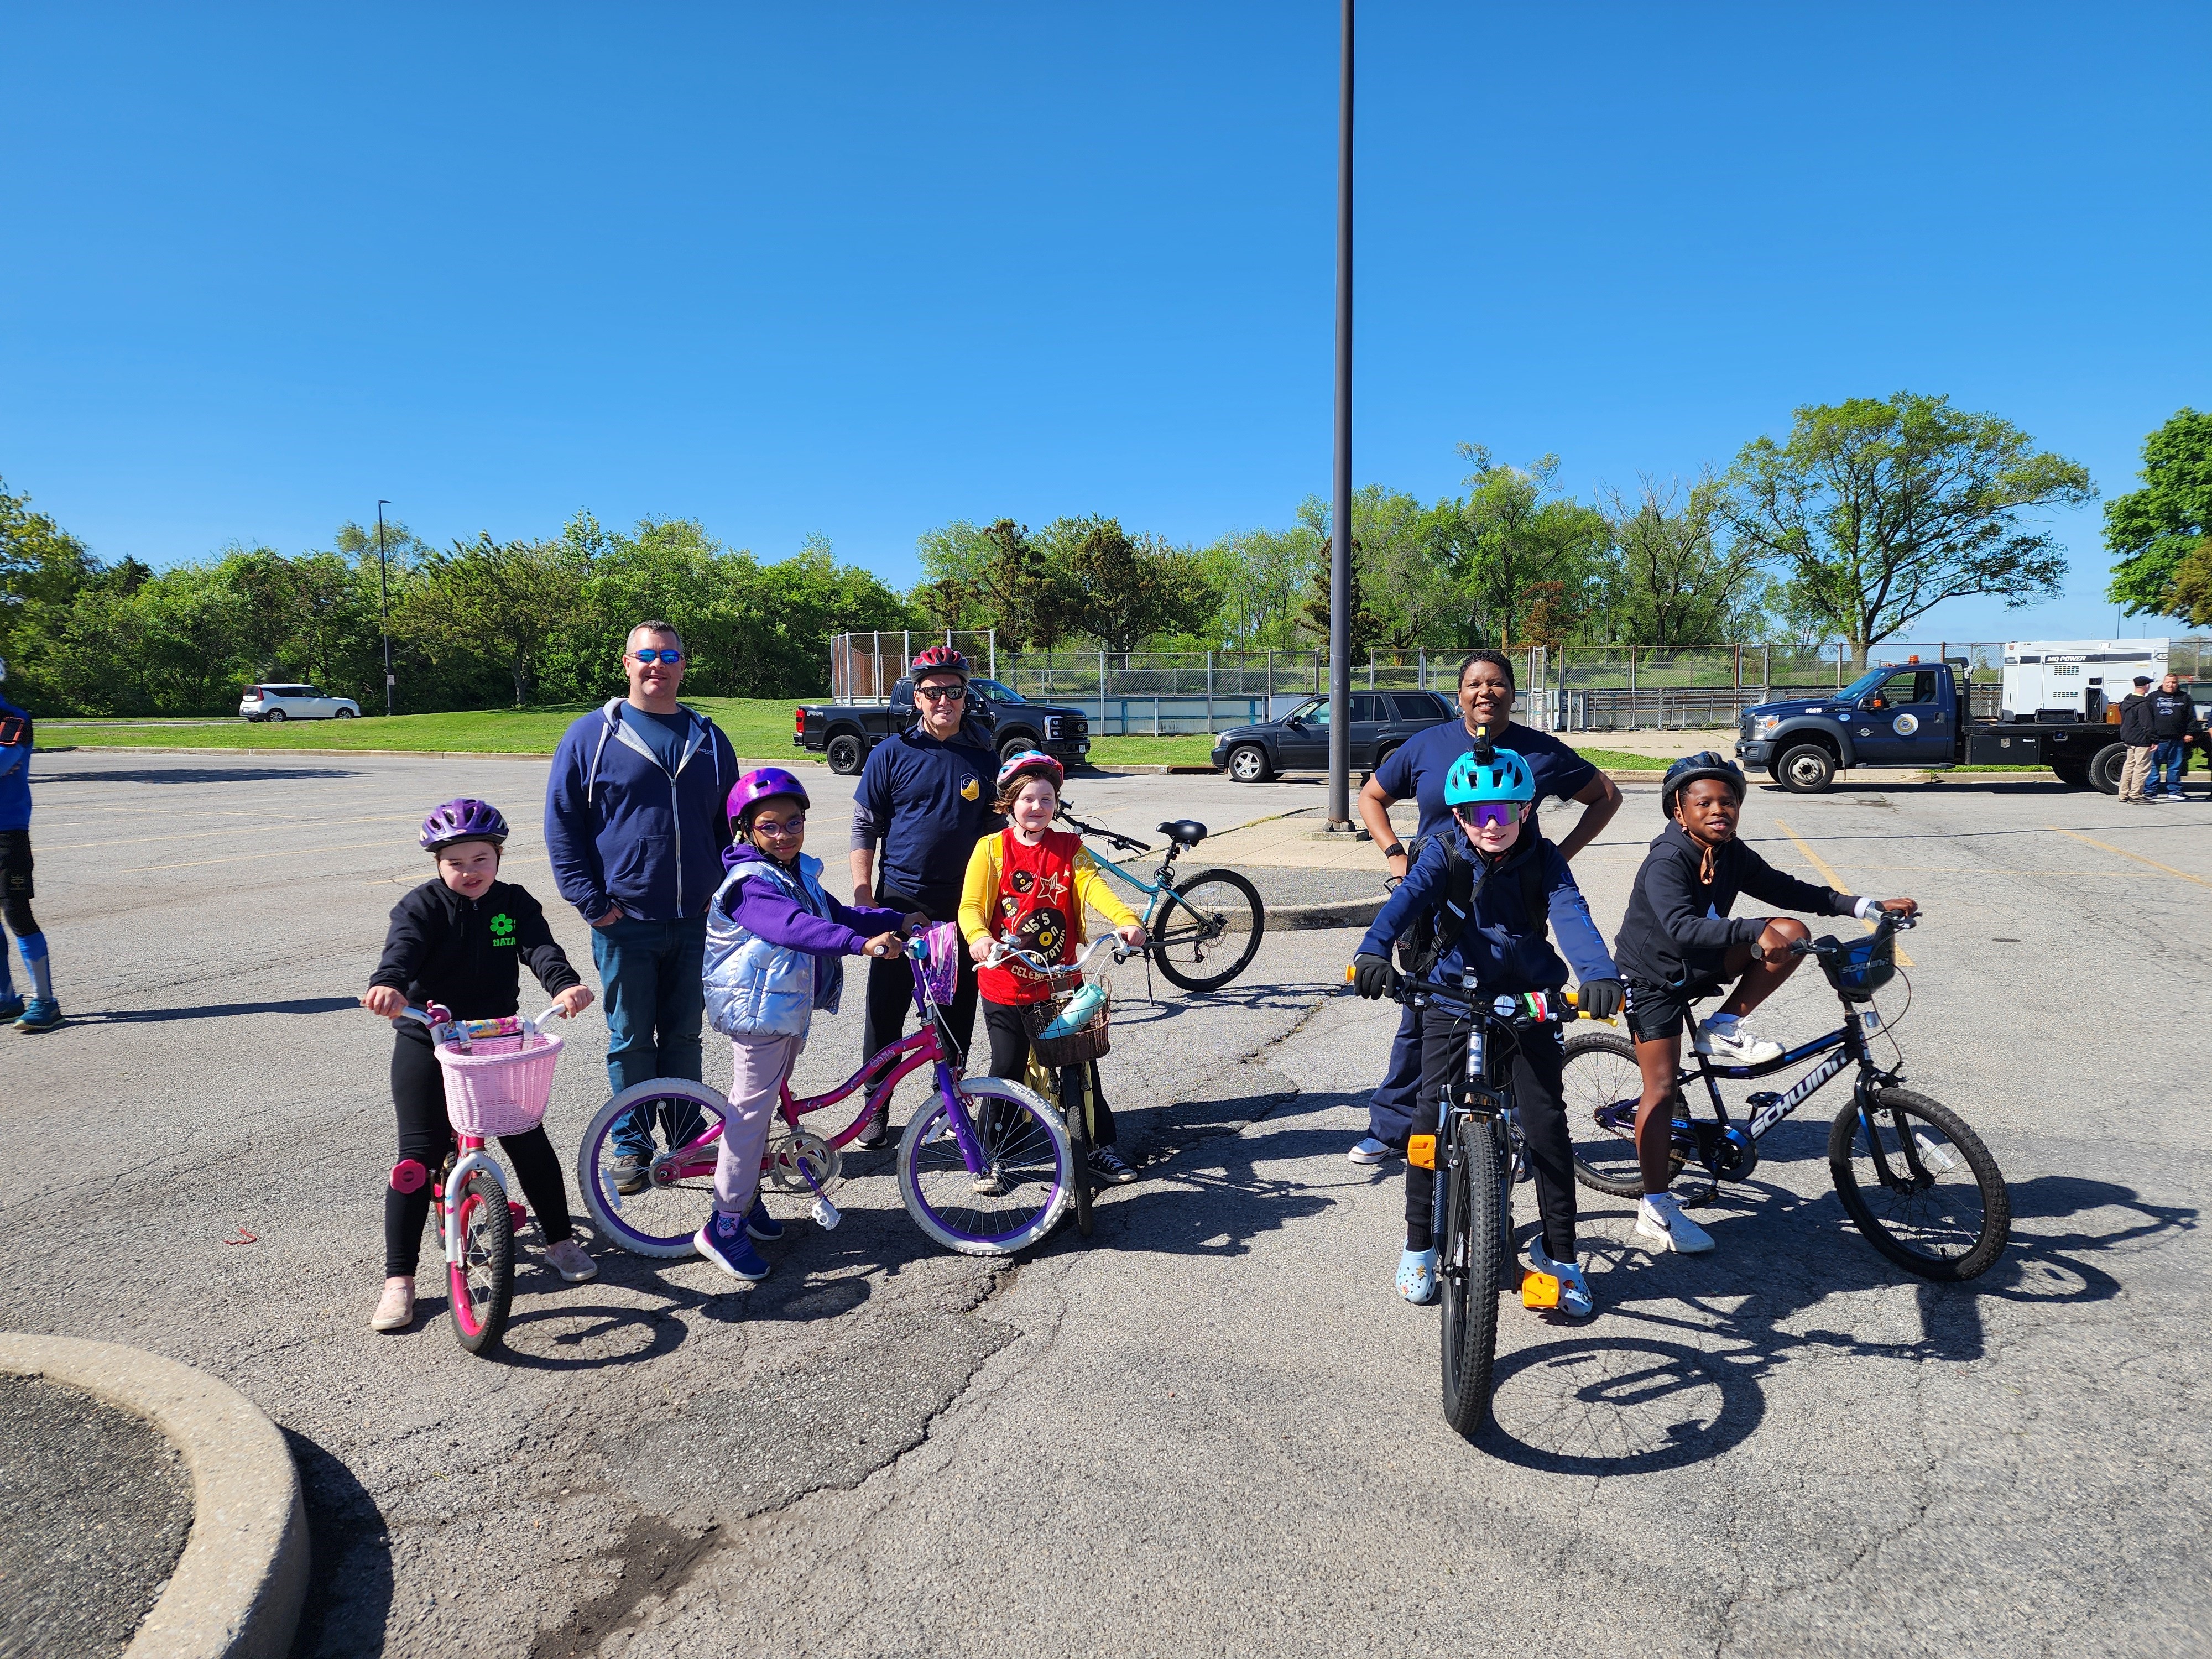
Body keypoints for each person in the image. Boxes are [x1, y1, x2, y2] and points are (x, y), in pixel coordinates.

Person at [1349, 747, 1626, 1317]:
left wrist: (1597, 975)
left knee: (1547, 1124)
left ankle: (1561, 1256)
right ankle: (1419, 1242)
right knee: (1428, 1116)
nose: (1492, 824)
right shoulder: (1442, 856)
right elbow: (1405, 901)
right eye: (1477, 813)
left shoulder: (1545, 859)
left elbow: (1571, 913)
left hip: (1529, 997)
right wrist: (1373, 949)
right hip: (1454, 994)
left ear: (1526, 810)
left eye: (1504, 810)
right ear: (1458, 817)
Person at [1612, 753, 1917, 1255]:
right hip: (1654, 978)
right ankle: (1655, 1203)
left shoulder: (1730, 852)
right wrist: (1756, 930)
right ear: (1678, 812)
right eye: (1704, 802)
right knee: (1662, 1088)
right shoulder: (1667, 860)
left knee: (1794, 932)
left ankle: (1724, 1024)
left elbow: (1786, 889)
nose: (1719, 810)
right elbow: (1681, 928)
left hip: (1702, 961)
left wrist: (1866, 906)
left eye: (1728, 801)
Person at [1349, 650, 1620, 1165]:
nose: (1485, 693)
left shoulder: (1540, 751)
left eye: (1497, 684)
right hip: (1437, 897)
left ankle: (1509, 1123)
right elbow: (1371, 797)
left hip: (1513, 899)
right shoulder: (1427, 745)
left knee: (1516, 1015)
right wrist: (1396, 854)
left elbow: (1606, 795)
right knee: (1423, 1014)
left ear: (1513, 694)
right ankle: (1391, 1128)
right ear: (1460, 695)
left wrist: (1559, 857)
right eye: (1475, 684)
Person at [362, 799, 598, 1333]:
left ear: (498, 856)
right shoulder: (420, 906)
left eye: (481, 858)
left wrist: (564, 985)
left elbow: (541, 950)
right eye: (455, 862)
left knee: (526, 1136)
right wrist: (389, 986)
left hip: (494, 1039)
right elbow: (401, 951)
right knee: (415, 1159)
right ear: (437, 863)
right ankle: (399, 1280)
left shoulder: (513, 904)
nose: (469, 871)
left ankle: (560, 1241)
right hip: (428, 1038)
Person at [694, 769, 921, 1281]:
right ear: (747, 830)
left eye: (793, 822)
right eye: (770, 826)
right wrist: (861, 945)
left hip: (782, 1009)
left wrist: (896, 919)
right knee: (750, 1114)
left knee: (768, 1104)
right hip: (757, 1013)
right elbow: (793, 927)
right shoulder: (749, 884)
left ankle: (747, 1201)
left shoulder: (794, 871)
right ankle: (724, 1223)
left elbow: (833, 912)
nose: (785, 833)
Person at [545, 622, 740, 1195]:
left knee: (683, 1035)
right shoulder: (591, 735)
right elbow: (564, 825)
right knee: (631, 1039)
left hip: (695, 920)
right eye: (647, 655)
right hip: (623, 920)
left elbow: (733, 824)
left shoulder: (708, 737)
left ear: (682, 666)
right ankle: (631, 1144)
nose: (658, 665)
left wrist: (723, 888)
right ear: (627, 664)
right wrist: (591, 902)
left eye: (669, 655)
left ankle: (686, 1138)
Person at [959, 750, 1149, 1187]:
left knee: (1080, 1065)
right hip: (1006, 980)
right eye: (1028, 798)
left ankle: (1100, 1147)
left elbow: (1094, 887)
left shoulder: (1069, 848)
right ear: (1009, 802)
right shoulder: (991, 850)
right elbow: (971, 906)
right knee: (1006, 1067)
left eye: (1047, 799)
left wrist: (1125, 921)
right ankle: (992, 1153)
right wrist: (979, 938)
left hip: (1062, 982)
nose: (1038, 808)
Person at [848, 644, 1001, 1147]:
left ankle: (952, 1101)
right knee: (886, 1010)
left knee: (956, 1010)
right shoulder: (891, 754)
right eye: (933, 692)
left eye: (953, 692)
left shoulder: (983, 756)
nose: (943, 701)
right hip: (899, 901)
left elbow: (998, 835)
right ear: (918, 698)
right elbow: (865, 825)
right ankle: (876, 1106)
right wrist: (864, 894)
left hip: (963, 907)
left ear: (965, 697)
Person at [0, 656, 60, 1031]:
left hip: (7, 832)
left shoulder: (13, 719)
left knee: (17, 913)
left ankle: (46, 1002)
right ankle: (5, 999)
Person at [2143, 671, 2199, 801]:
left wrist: (2190, 733)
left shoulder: (2185, 697)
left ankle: (2174, 791)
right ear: (2163, 683)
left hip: (2177, 739)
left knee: (2175, 766)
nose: (2171, 685)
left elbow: (2191, 717)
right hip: (2157, 740)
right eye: (2168, 682)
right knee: (2153, 766)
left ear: (2177, 684)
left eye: (2174, 682)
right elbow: (2146, 718)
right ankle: (2151, 791)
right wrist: (2149, 736)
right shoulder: (2152, 697)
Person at [2116, 676, 2156, 805]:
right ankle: (2136, 794)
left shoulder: (2127, 700)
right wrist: (2154, 740)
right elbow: (2147, 725)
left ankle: (2123, 793)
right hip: (2141, 740)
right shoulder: (2144, 705)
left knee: (2129, 766)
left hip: (2129, 738)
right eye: (2148, 685)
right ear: (2146, 686)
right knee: (2142, 767)